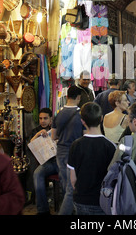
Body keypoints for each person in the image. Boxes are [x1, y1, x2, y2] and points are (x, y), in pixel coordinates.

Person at [67, 103, 116, 215]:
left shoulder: (75, 145)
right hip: (103, 201)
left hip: (81, 200)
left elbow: (73, 179)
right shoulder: (111, 146)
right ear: (101, 118)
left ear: (82, 121)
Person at [50, 85, 86, 215]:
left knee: (65, 185)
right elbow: (85, 135)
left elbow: (53, 136)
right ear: (78, 97)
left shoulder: (58, 114)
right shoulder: (81, 114)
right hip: (75, 151)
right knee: (72, 188)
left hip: (61, 151)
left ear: (67, 96)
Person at [31, 108, 58, 215]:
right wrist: (38, 135)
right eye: (41, 118)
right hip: (47, 163)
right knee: (37, 173)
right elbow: (31, 145)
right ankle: (43, 210)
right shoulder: (36, 130)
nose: (43, 121)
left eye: (45, 118)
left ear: (51, 119)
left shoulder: (56, 128)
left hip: (59, 161)